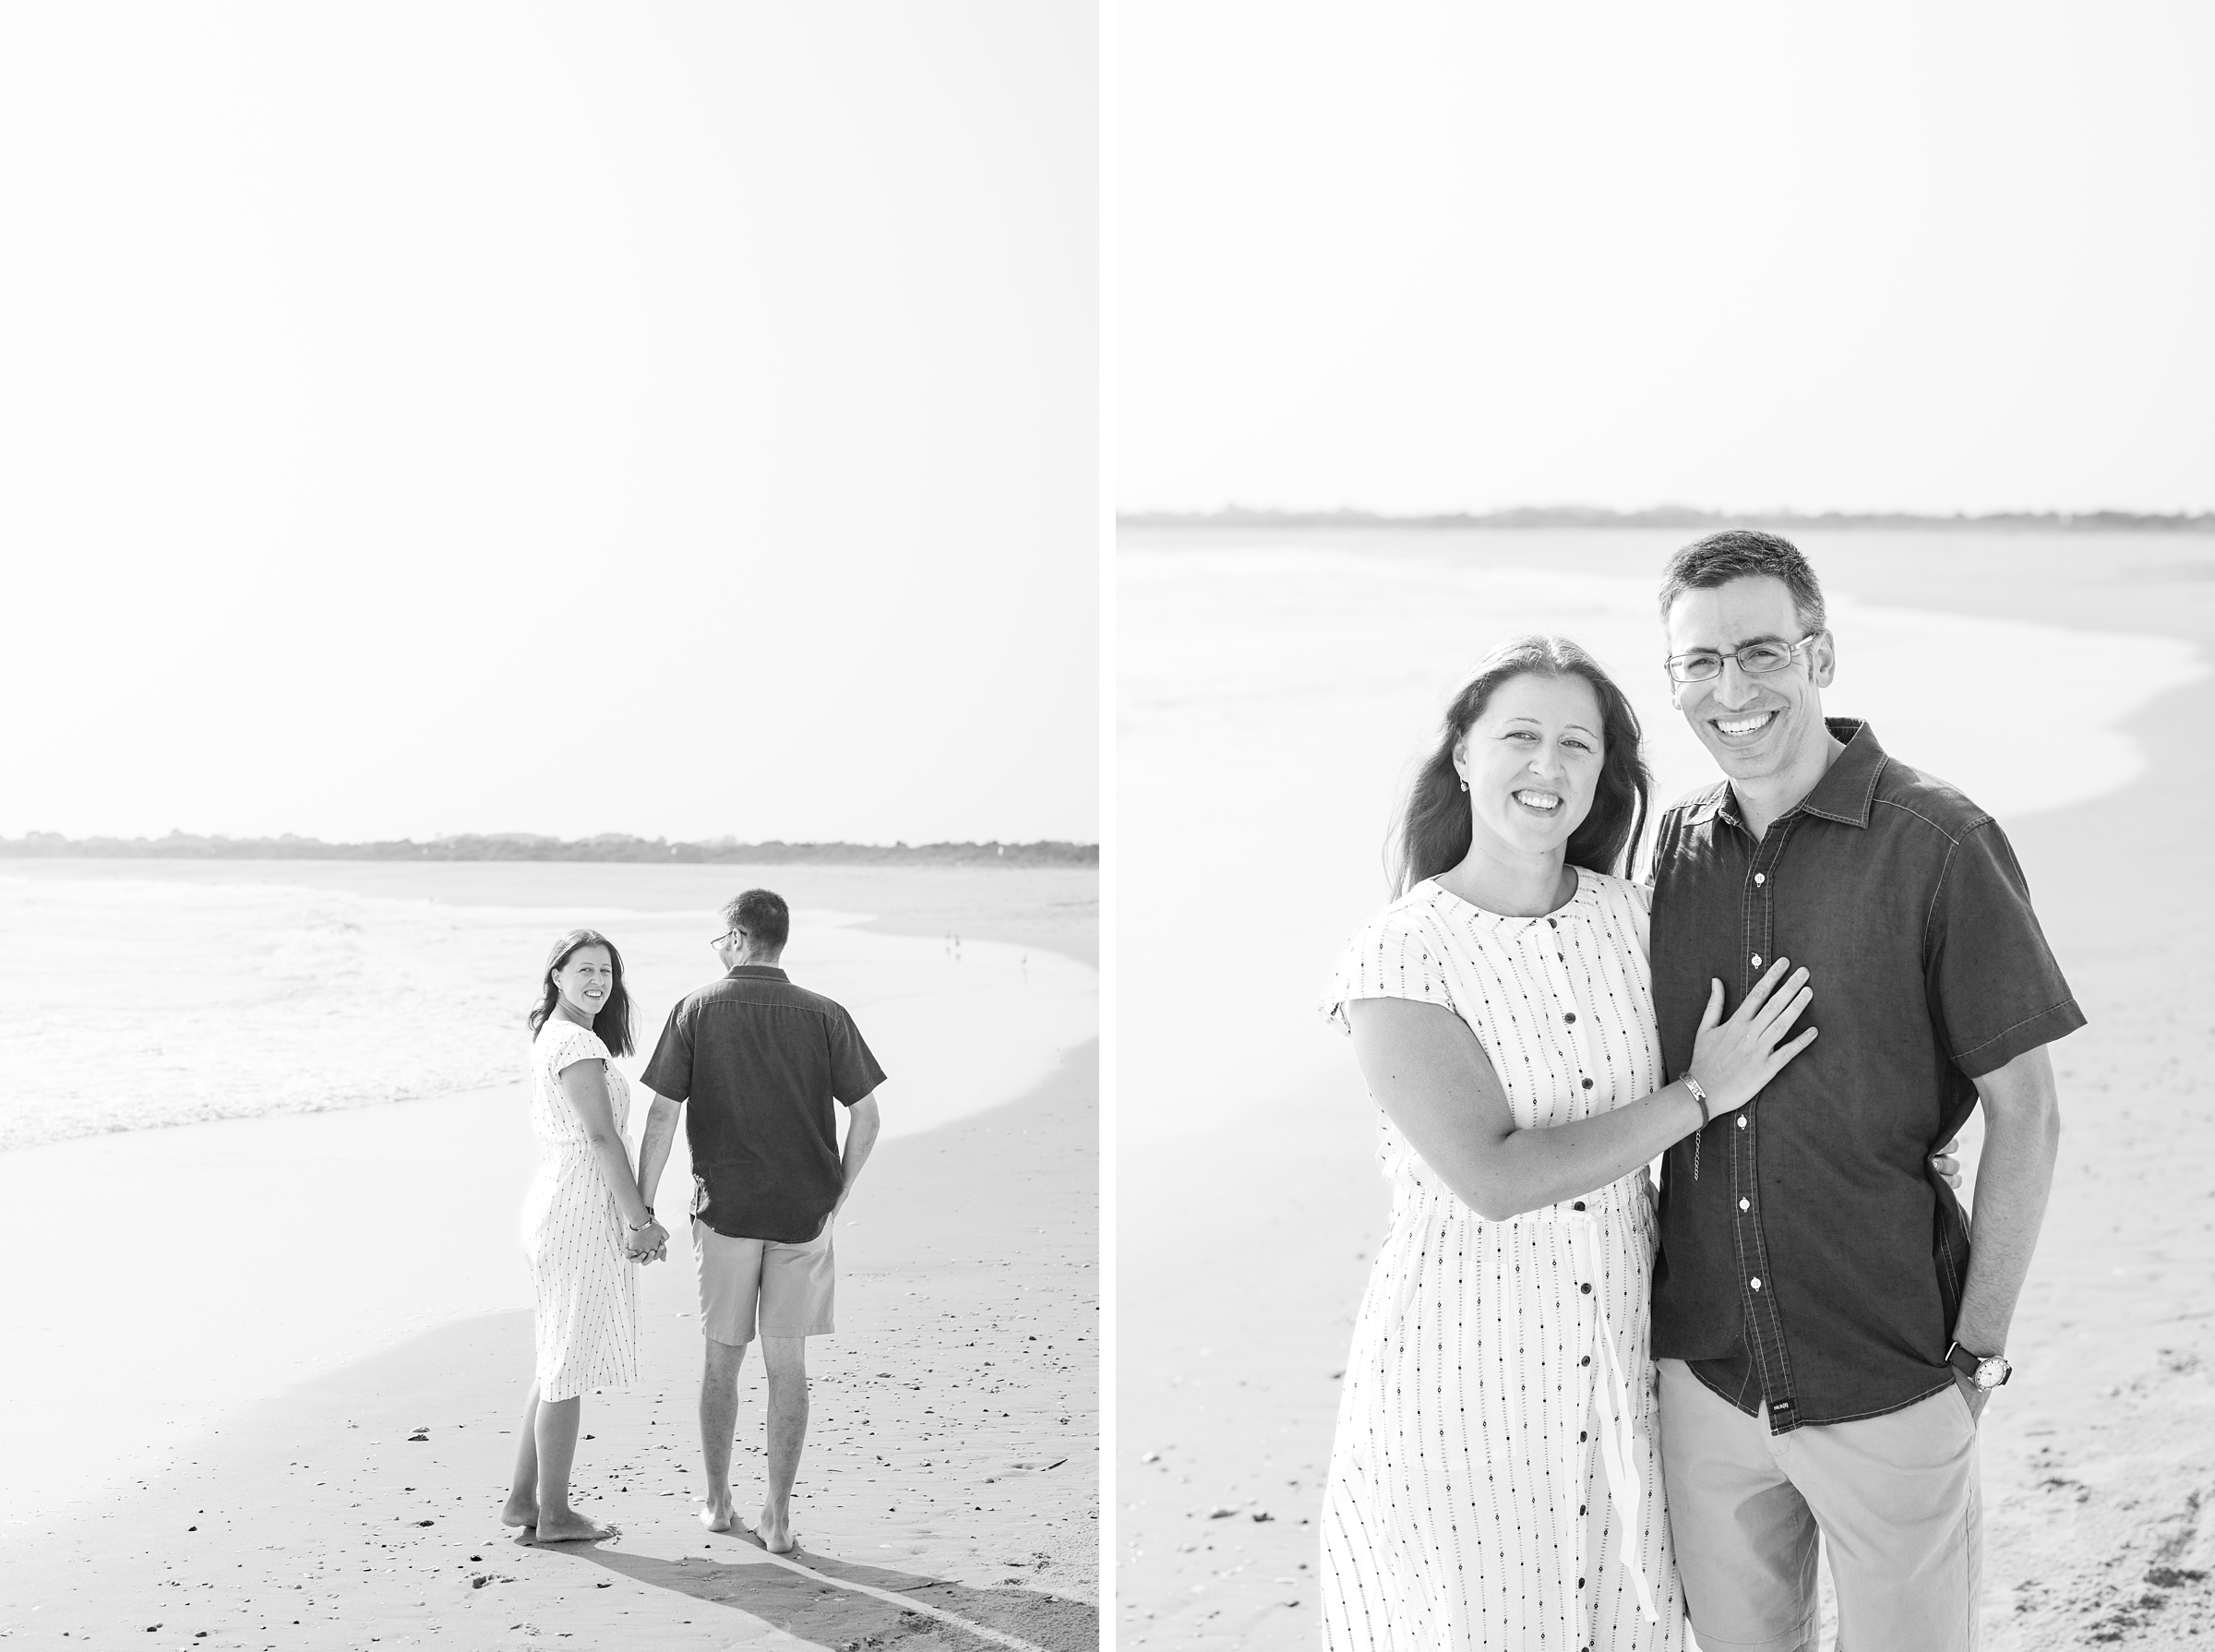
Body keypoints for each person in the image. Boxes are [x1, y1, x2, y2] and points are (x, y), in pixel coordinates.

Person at [1316, 636, 1825, 1652]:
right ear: (1464, 754)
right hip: (1463, 1379)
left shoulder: (1640, 922)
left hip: (1622, 1369)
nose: (1546, 766)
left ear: (1604, 777)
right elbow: (1495, 1175)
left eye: (1576, 744)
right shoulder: (1402, 949)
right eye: (1520, 735)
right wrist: (1696, 1094)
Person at [1646, 531, 2079, 1652]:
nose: (1730, 690)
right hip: (1705, 1373)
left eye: (1760, 652)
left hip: (1889, 1373)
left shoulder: (1939, 842)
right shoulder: (1669, 858)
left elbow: (2027, 1114)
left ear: (1820, 653)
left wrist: (1976, 1356)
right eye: (1699, 663)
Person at [634, 889, 885, 1553]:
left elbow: (662, 1117)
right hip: (805, 1215)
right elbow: (868, 1117)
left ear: (741, 938)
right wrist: (839, 1196)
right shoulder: (826, 1013)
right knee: (788, 1368)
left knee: (721, 1361)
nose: (719, 950)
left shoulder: (695, 1009)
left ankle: (718, 1503)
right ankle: (777, 1518)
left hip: (726, 1214)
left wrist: (641, 1208)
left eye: (721, 939)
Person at [502, 928, 669, 1544]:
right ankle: (555, 1514)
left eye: (606, 971)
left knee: (555, 1362)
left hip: (559, 1202)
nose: (597, 981)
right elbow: (601, 1138)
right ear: (557, 976)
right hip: (576, 1210)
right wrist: (640, 1221)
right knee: (567, 1367)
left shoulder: (560, 1036)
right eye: (584, 970)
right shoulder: (573, 1043)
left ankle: (523, 1501)